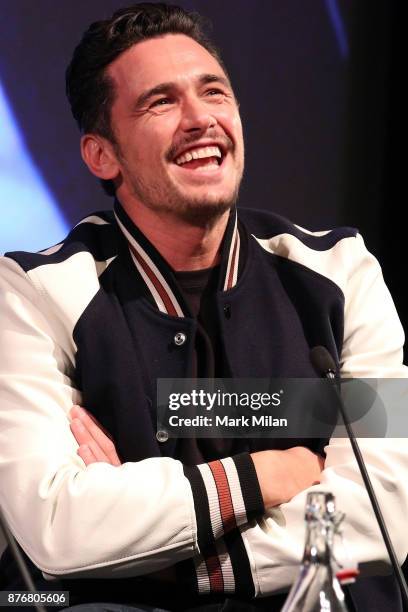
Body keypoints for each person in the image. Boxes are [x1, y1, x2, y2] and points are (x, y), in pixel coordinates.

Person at [0, 3, 407, 611]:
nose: (200, 120)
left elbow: (386, 509)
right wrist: (270, 473)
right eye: (160, 102)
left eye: (213, 92)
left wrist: (158, 560)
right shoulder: (35, 291)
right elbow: (58, 526)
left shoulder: (341, 271)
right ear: (101, 156)